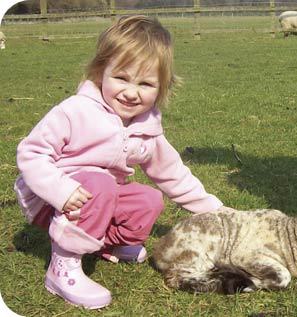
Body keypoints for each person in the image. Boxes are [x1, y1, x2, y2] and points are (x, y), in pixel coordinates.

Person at [14, 15, 226, 309]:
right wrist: (60, 190)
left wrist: (214, 210)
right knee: (100, 183)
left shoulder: (146, 128)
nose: (131, 92)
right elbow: (31, 153)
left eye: (146, 83)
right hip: (50, 199)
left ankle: (104, 243)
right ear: (101, 72)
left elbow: (172, 174)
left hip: (100, 197)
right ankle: (62, 265)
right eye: (122, 78)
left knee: (148, 199)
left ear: (162, 87)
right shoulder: (75, 111)